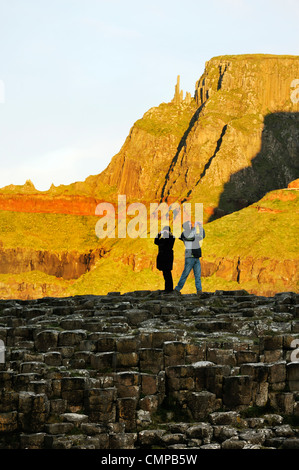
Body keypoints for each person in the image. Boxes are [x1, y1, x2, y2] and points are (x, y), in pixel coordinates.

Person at [174, 220, 205, 295]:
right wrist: (195, 227)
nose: (192, 225)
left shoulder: (192, 234)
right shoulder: (185, 234)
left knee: (197, 275)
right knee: (185, 274)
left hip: (196, 257)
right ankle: (177, 289)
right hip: (190, 257)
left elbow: (202, 236)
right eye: (190, 224)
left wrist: (200, 227)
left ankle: (199, 290)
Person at [154, 226, 175, 293]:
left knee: (167, 273)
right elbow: (156, 241)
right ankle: (167, 288)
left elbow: (173, 238)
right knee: (165, 274)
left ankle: (169, 289)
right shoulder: (162, 239)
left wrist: (169, 233)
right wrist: (159, 234)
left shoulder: (170, 239)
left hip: (167, 258)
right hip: (163, 258)